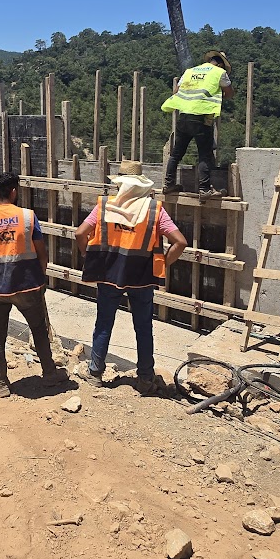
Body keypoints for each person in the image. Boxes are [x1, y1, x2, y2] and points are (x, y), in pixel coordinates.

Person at [75, 160, 188, 394]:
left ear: (120, 184)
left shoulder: (105, 206)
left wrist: (88, 255)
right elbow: (180, 242)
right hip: (142, 277)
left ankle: (95, 372)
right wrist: (163, 263)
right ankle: (146, 378)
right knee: (143, 327)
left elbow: (80, 233)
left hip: (108, 274)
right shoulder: (155, 210)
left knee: (104, 324)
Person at [0, 172, 65, 398]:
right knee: (39, 331)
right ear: (13, 192)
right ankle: (49, 375)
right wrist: (40, 281)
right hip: (27, 285)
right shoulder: (28, 217)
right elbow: (42, 254)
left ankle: (2, 384)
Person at [161, 49, 234, 197]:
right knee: (204, 154)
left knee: (176, 154)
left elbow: (176, 91)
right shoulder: (219, 72)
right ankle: (204, 189)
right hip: (202, 118)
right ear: (220, 64)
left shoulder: (190, 71)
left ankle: (168, 185)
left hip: (184, 116)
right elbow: (229, 93)